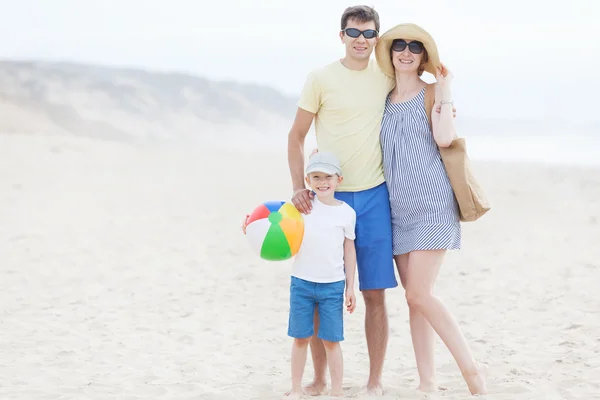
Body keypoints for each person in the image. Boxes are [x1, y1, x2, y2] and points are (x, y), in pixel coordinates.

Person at [286, 5, 397, 395]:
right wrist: (299, 186)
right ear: (342, 36)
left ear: (377, 38)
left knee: (374, 293)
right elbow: (296, 136)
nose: (361, 40)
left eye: (368, 34)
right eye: (354, 32)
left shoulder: (386, 77)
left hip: (373, 196)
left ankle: (375, 380)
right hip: (326, 198)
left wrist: (446, 98)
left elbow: (421, 89)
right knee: (319, 287)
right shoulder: (320, 78)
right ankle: (318, 379)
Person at [373, 23, 488, 395]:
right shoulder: (383, 98)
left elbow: (443, 137)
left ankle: (472, 372)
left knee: (419, 295)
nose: (406, 52)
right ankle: (428, 383)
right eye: (399, 45)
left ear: (424, 56)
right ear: (390, 53)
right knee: (414, 300)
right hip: (396, 210)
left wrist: (446, 89)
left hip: (432, 205)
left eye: (415, 47)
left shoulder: (432, 93)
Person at [243, 151, 358, 398]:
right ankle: (296, 388)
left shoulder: (346, 213)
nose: (322, 181)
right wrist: (249, 226)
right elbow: (271, 221)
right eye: (316, 176)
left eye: (327, 176)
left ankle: (336, 391)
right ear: (308, 181)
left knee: (331, 341)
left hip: (333, 285)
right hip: (302, 283)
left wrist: (351, 287)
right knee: (300, 338)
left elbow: (349, 250)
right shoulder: (301, 207)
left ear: (339, 179)